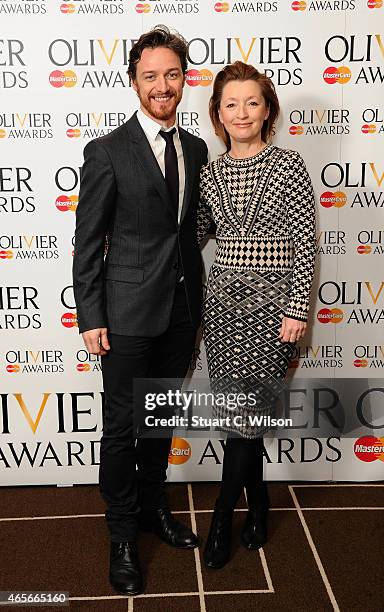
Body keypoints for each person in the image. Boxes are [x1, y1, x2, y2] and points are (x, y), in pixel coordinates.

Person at [72, 26, 208, 595]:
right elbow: (88, 242)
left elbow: (189, 231)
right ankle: (123, 534)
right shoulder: (106, 151)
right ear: (133, 81)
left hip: (180, 310)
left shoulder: (198, 148)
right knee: (124, 429)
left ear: (184, 80)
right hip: (125, 313)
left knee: (159, 423)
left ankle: (155, 509)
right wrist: (90, 314)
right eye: (150, 76)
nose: (162, 86)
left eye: (171, 75)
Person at [197, 61, 316, 569]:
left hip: (273, 311)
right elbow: (193, 234)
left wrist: (296, 309)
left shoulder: (289, 166)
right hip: (222, 307)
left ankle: (224, 513)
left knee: (246, 417)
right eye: (230, 103)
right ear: (218, 114)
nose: (241, 112)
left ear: (267, 110)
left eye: (251, 102)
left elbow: (304, 242)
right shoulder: (210, 173)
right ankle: (260, 501)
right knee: (237, 415)